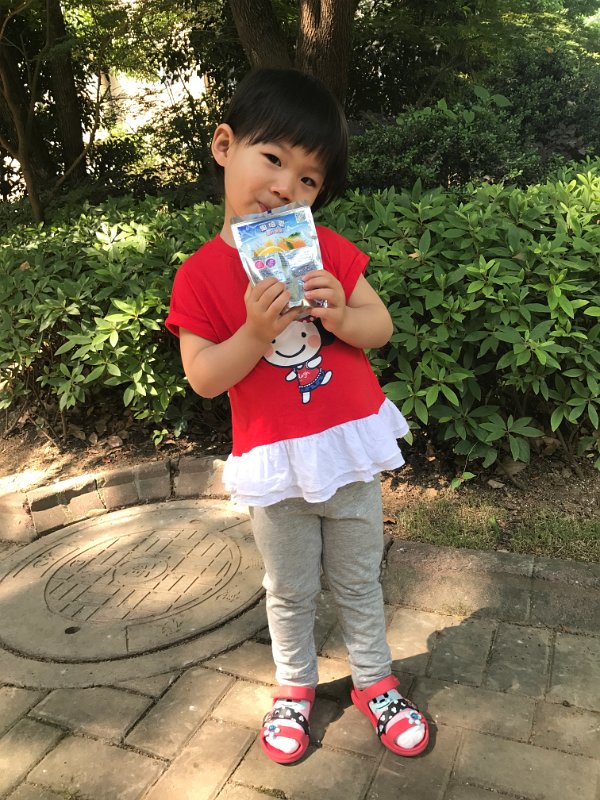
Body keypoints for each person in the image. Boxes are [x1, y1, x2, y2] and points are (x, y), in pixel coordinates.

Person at [165, 67, 429, 764]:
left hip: (346, 451)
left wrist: (340, 312)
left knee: (359, 579)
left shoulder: (327, 252)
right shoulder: (200, 274)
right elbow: (203, 377)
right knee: (288, 588)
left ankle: (375, 682)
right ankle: (294, 688)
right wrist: (254, 334)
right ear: (225, 146)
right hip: (275, 463)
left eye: (308, 178)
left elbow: (380, 327)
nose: (287, 186)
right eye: (273, 158)